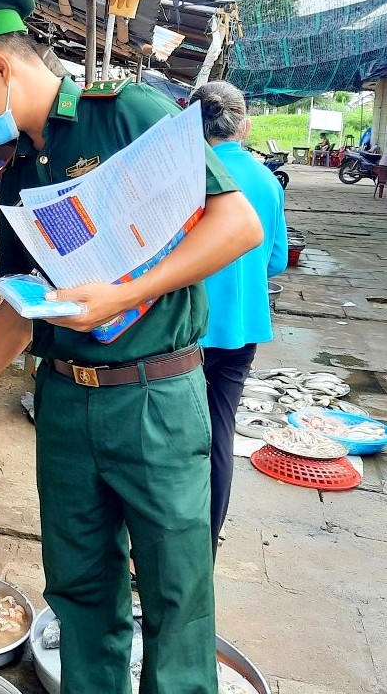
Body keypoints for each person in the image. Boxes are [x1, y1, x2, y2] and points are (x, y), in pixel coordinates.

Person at [0, 0, 263, 693]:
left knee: (176, 594)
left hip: (153, 394)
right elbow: (18, 307)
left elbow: (238, 225)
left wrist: (122, 294)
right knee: (81, 590)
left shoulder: (127, 113)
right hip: (64, 400)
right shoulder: (15, 172)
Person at [189, 82, 287, 554]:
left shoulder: (188, 173)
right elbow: (276, 261)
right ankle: (205, 544)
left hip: (185, 328)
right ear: (243, 125)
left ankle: (161, 544)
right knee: (219, 433)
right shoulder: (267, 180)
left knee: (174, 437)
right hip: (242, 328)